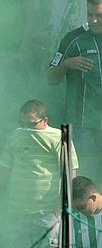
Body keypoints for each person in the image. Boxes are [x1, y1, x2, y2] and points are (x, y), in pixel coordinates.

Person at [0, 99, 78, 248]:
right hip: (16, 216)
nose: (27, 128)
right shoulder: (15, 136)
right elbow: (3, 173)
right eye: (23, 123)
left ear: (45, 120)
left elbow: (70, 178)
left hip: (45, 215)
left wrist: (55, 215)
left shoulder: (59, 138)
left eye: (31, 124)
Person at [48, 0, 102, 181]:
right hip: (80, 126)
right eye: (90, 15)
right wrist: (66, 64)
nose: (94, 20)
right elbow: (50, 79)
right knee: (81, 181)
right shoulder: (74, 38)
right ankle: (71, 210)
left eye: (99, 16)